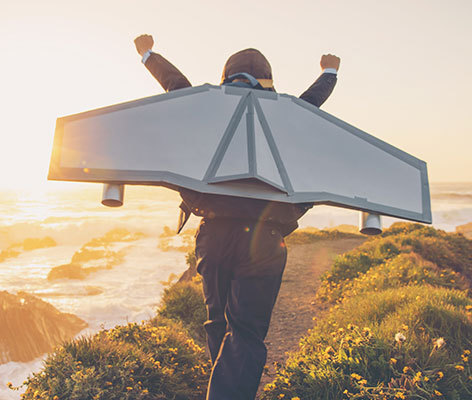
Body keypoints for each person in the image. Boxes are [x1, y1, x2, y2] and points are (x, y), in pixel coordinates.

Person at [133, 34, 339, 400]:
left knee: (219, 322)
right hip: (263, 237)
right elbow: (311, 105)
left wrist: (149, 55)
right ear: (268, 83)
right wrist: (329, 72)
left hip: (213, 231)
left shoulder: (209, 112)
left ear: (226, 78)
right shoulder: (282, 118)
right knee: (244, 332)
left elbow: (176, 87)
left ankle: (224, 390)